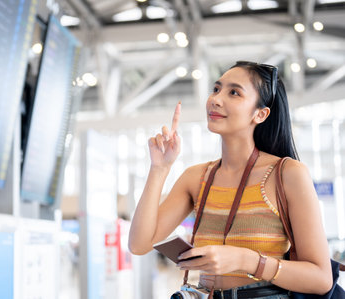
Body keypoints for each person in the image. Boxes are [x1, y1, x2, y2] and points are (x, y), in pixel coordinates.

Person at [128, 61, 333, 297]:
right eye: (216, 89)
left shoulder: (286, 173)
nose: (216, 99)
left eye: (234, 92)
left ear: (260, 113)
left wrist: (246, 260)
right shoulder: (197, 178)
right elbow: (139, 244)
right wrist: (159, 168)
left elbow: (321, 278)